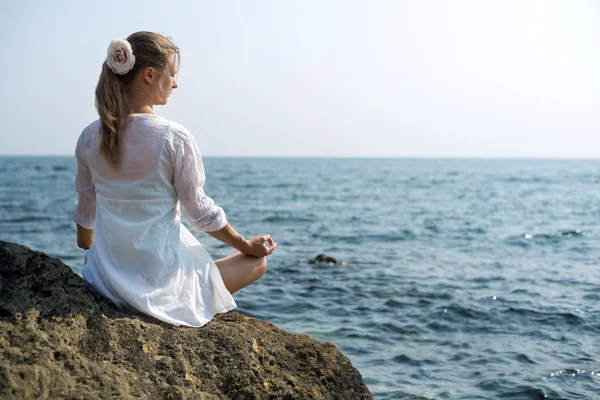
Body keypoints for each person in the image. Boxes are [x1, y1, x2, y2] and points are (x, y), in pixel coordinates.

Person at [72, 31, 277, 327]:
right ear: (150, 75)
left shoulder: (89, 136)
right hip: (162, 292)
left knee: (99, 257)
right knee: (258, 262)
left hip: (106, 284)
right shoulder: (174, 137)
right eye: (173, 75)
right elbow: (200, 214)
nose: (176, 83)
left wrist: (89, 249)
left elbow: (85, 213)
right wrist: (247, 245)